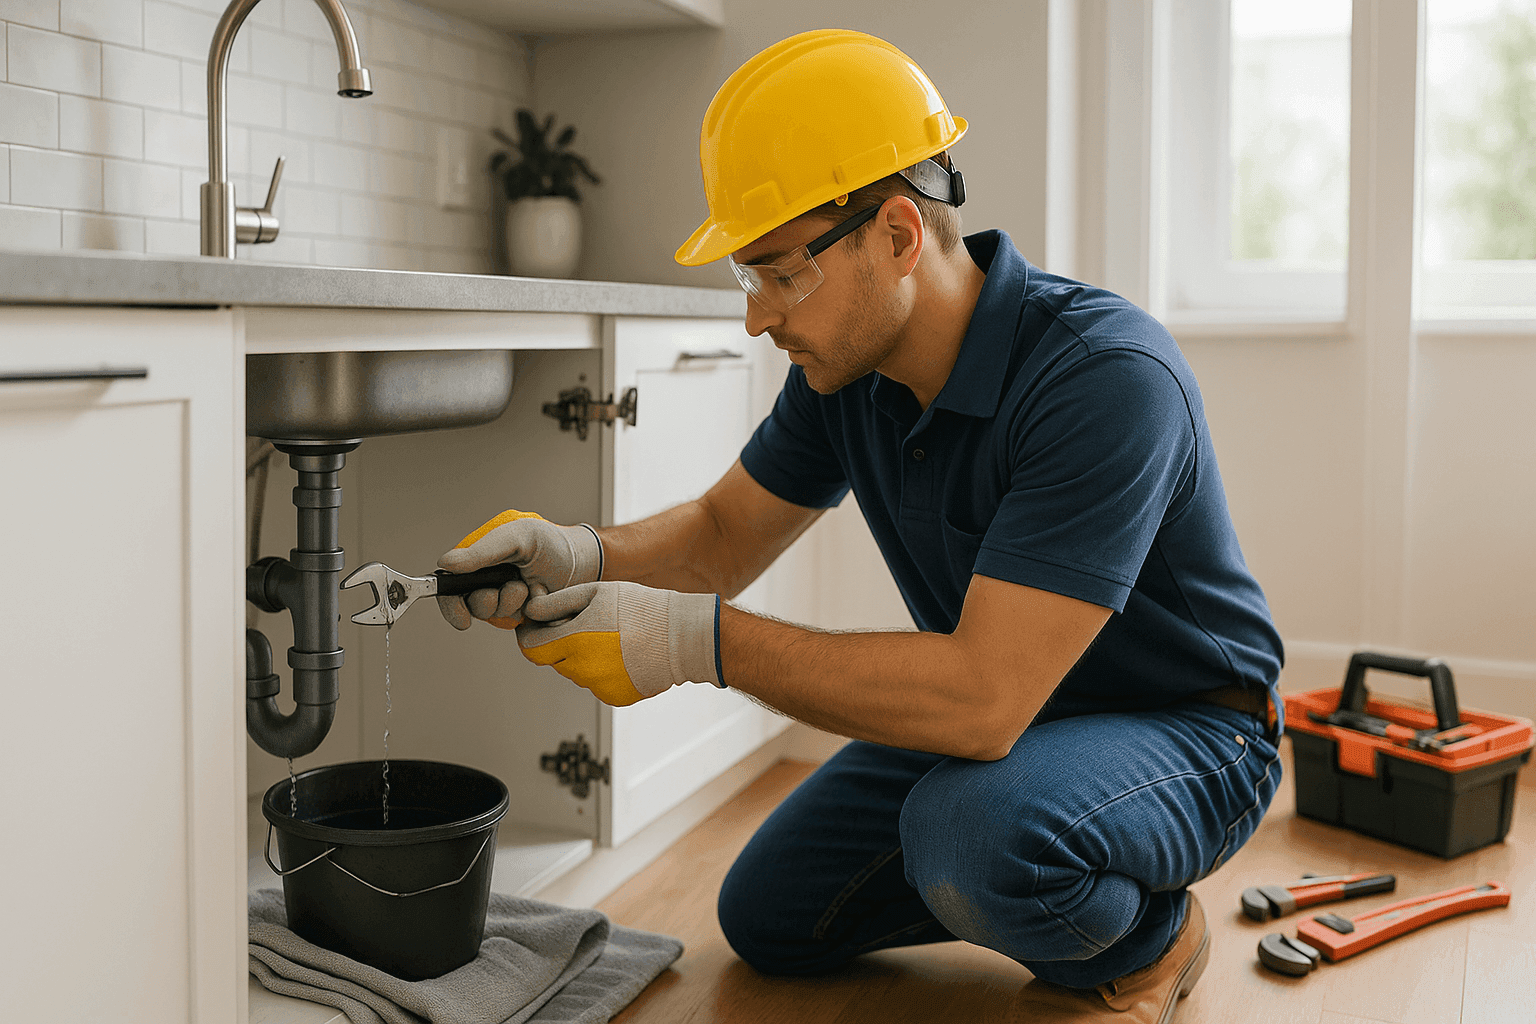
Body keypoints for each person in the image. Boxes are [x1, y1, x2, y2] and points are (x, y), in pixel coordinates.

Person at [437, 29, 1285, 1024]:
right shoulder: (851, 373)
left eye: (779, 273)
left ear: (895, 235)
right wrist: (578, 552)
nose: (758, 319)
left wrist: (693, 643)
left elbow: (980, 700)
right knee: (772, 915)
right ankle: (1029, 855)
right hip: (1019, 722)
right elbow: (721, 536)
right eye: (746, 278)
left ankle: (1152, 937)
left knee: (968, 837)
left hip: (1190, 727)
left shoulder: (1102, 378)